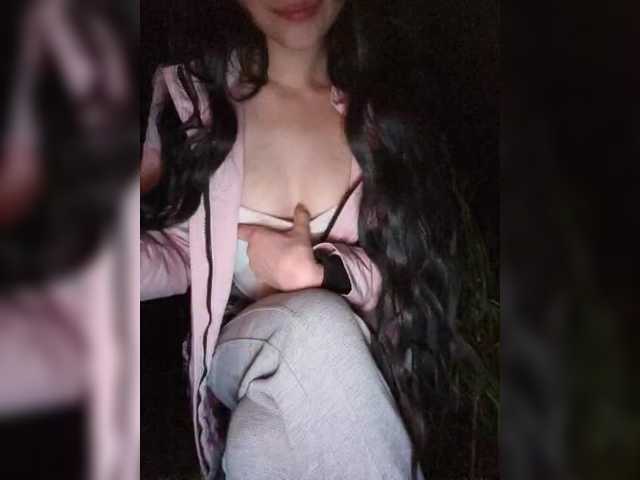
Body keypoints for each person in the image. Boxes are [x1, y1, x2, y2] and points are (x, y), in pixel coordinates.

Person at [141, 1, 460, 478]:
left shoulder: (380, 113)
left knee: (257, 446)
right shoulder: (193, 100)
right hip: (240, 346)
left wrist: (322, 272)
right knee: (315, 326)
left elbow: (399, 266)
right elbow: (187, 250)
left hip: (354, 361)